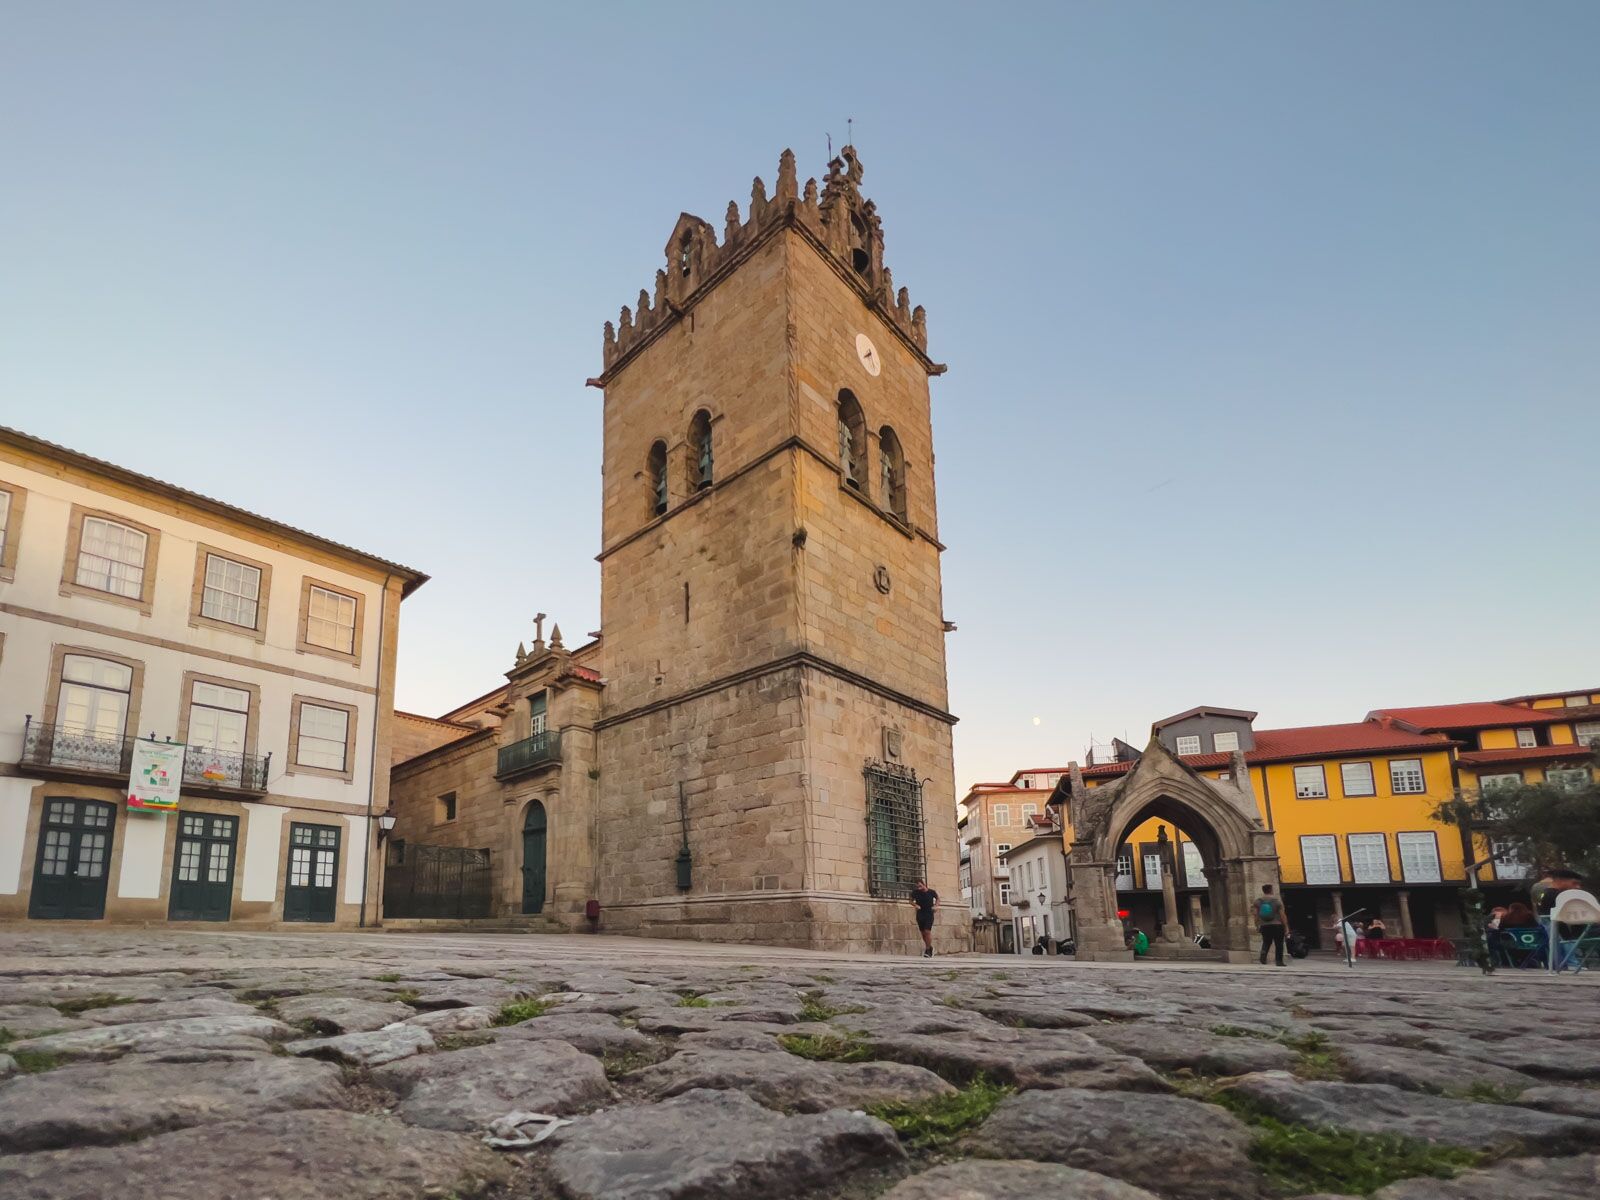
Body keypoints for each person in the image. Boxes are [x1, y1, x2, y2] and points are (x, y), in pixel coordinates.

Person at [1254, 883, 1287, 966]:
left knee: (1266, 942)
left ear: (1263, 891)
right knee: (1279, 943)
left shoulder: (1258, 901)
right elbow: (1282, 915)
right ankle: (1279, 961)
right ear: (1271, 890)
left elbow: (1256, 914)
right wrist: (1286, 927)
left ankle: (1263, 956)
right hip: (1277, 925)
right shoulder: (1277, 901)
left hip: (1264, 925)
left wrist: (1257, 925)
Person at [908, 879, 938, 958]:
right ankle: (930, 947)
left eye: (920, 886)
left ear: (924, 884)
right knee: (923, 934)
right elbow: (910, 901)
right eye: (918, 887)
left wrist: (935, 906)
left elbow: (938, 899)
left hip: (929, 913)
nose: (919, 888)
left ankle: (927, 950)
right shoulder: (915, 892)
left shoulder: (931, 892)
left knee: (927, 931)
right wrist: (915, 905)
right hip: (920, 913)